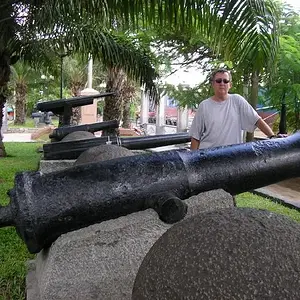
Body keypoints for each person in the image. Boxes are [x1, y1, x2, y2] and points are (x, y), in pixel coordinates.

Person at [190, 69, 277, 150]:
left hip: (233, 157)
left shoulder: (237, 100)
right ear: (213, 84)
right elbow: (195, 136)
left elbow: (257, 120)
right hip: (208, 156)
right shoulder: (204, 106)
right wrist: (193, 161)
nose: (222, 83)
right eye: (218, 81)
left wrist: (272, 137)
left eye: (225, 81)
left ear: (230, 85)